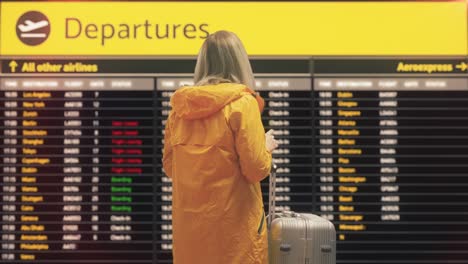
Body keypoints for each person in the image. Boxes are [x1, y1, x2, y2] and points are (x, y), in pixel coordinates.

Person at [162, 30, 279, 264]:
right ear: (239, 61)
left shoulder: (180, 110)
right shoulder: (242, 104)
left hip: (191, 242)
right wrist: (265, 146)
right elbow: (256, 169)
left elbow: (170, 167)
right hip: (235, 241)